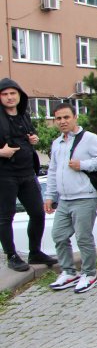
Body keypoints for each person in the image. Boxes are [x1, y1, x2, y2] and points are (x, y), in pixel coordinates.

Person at [44, 103, 97, 293]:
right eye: (58, 118)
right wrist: (49, 196)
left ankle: (89, 274)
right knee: (58, 235)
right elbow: (53, 171)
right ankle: (68, 271)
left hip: (85, 196)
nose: (62, 121)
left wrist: (83, 164)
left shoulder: (89, 138)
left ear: (75, 117)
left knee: (83, 237)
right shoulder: (57, 143)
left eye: (66, 117)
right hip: (64, 199)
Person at [0, 78, 56, 271]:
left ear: (19, 95)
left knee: (38, 213)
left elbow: (29, 136)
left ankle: (35, 252)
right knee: (6, 217)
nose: (9, 97)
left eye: (12, 93)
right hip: (5, 174)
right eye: (5, 94)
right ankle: (12, 256)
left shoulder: (24, 115)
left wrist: (34, 139)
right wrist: (1, 152)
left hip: (27, 172)